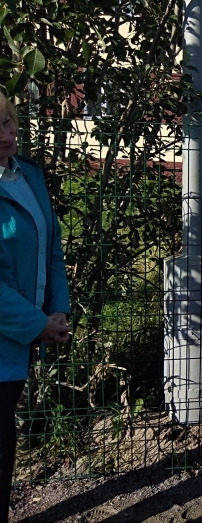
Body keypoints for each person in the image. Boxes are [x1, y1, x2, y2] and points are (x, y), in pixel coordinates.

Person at [0, 93, 71, 523]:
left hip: (19, 337)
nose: (5, 135)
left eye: (8, 122)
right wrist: (37, 324)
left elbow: (52, 247)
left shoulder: (27, 174)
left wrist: (57, 309)